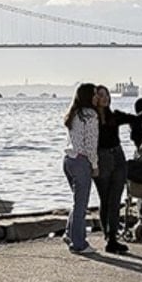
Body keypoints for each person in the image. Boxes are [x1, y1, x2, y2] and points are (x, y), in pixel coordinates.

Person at [94, 85, 142, 254]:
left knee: (115, 199)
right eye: (100, 95)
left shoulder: (115, 116)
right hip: (101, 158)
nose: (105, 97)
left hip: (118, 157)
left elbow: (138, 118)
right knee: (105, 199)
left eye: (106, 94)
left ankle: (112, 238)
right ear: (95, 98)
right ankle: (108, 235)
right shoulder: (90, 119)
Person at [63, 83, 99, 253]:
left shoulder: (73, 114)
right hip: (81, 162)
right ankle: (79, 244)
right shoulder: (90, 115)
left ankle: (70, 234)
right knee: (81, 204)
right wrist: (95, 164)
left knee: (77, 202)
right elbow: (90, 144)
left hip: (68, 160)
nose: (96, 97)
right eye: (94, 94)